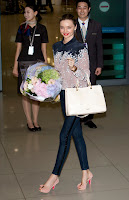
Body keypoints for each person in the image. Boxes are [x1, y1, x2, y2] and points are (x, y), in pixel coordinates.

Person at [39, 14, 93, 193]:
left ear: (75, 27)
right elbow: (58, 73)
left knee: (64, 136)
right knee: (77, 135)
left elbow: (86, 76)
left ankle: (54, 176)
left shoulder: (80, 47)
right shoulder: (56, 47)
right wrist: (48, 81)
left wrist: (75, 68)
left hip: (76, 96)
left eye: (69, 27)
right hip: (64, 96)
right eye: (62, 27)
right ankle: (86, 172)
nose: (65, 31)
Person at [13, 4, 49, 132]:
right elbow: (18, 48)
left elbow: (44, 48)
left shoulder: (42, 29)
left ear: (35, 13)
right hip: (23, 63)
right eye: (24, 12)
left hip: (38, 64)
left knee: (36, 92)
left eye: (28, 12)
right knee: (25, 93)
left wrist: (46, 66)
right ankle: (29, 121)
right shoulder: (22, 28)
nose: (25, 14)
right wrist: (15, 66)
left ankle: (35, 120)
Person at [76, 0, 103, 129]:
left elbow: (99, 47)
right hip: (75, 65)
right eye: (79, 8)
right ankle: (77, 118)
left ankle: (88, 119)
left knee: (90, 90)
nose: (82, 10)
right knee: (77, 91)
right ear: (76, 9)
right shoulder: (71, 25)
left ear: (89, 9)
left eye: (84, 8)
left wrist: (99, 65)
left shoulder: (96, 25)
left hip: (91, 64)